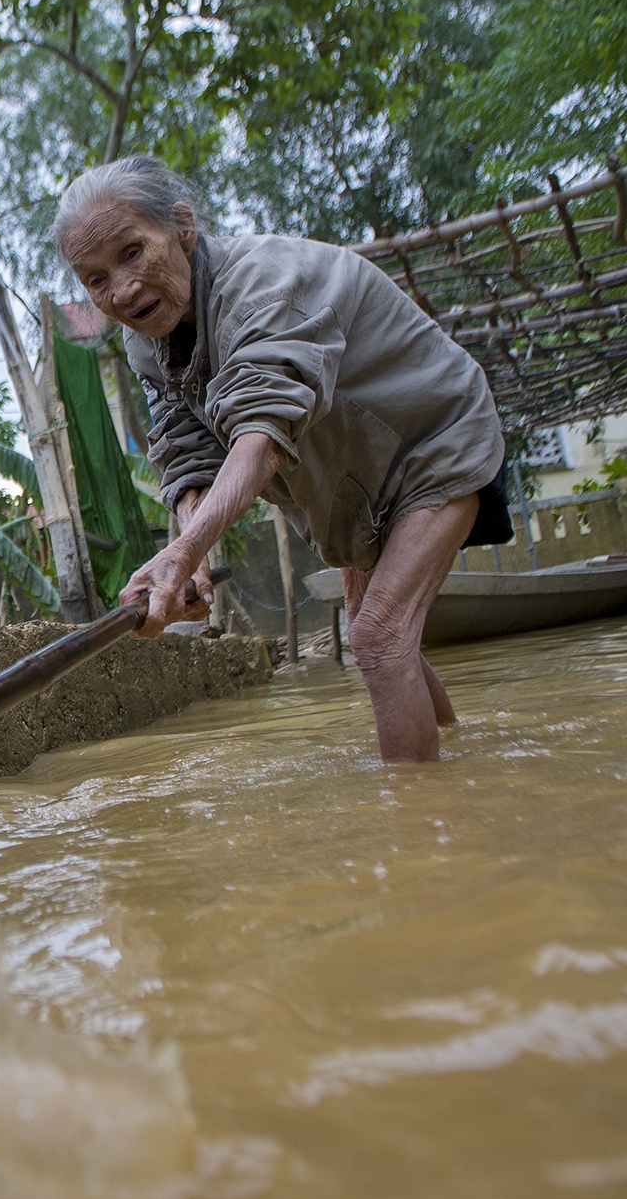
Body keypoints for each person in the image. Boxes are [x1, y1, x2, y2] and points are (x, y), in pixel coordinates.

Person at [54, 155, 512, 762]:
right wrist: (191, 558)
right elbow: (189, 452)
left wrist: (184, 552)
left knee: (376, 635)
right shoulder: (147, 345)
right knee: (375, 625)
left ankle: (426, 831)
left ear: (183, 228)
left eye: (132, 252)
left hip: (433, 443)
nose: (122, 289)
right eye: (94, 279)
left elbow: (262, 434)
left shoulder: (264, 279)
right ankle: (464, 760)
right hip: (361, 487)